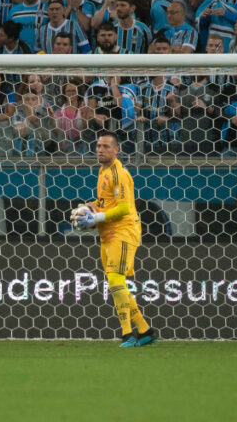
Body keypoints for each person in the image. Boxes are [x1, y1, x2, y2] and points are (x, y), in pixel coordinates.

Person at [72, 131, 156, 347]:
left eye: (106, 146)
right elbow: (106, 203)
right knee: (114, 281)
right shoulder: (103, 171)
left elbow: (124, 207)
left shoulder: (119, 173)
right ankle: (145, 331)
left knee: (116, 280)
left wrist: (96, 217)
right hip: (108, 232)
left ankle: (128, 334)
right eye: (98, 145)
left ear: (116, 149)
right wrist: (90, 207)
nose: (101, 149)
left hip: (123, 230)